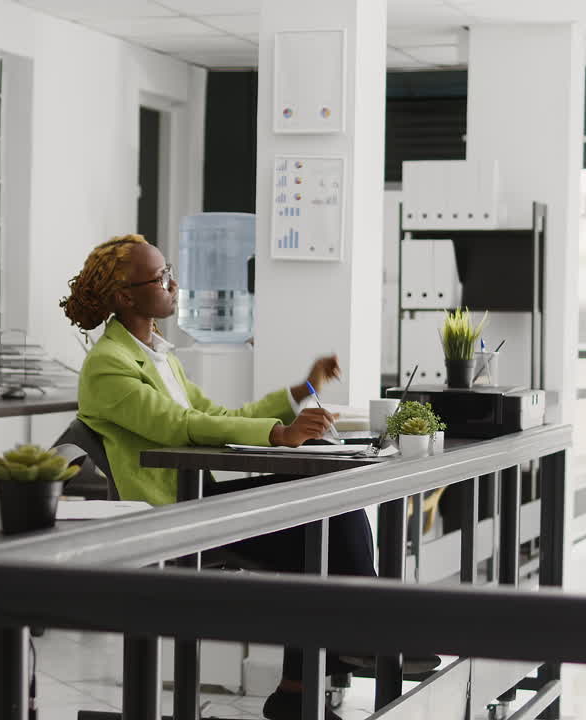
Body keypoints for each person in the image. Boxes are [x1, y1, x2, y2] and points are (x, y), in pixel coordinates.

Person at [61, 234, 434, 720]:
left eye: (169, 271)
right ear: (125, 296)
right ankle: (358, 637)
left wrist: (301, 391)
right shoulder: (108, 365)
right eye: (161, 278)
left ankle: (306, 683)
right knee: (322, 521)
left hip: (197, 499)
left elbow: (218, 413)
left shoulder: (158, 354)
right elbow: (181, 426)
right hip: (165, 520)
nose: (174, 284)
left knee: (326, 500)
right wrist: (279, 434)